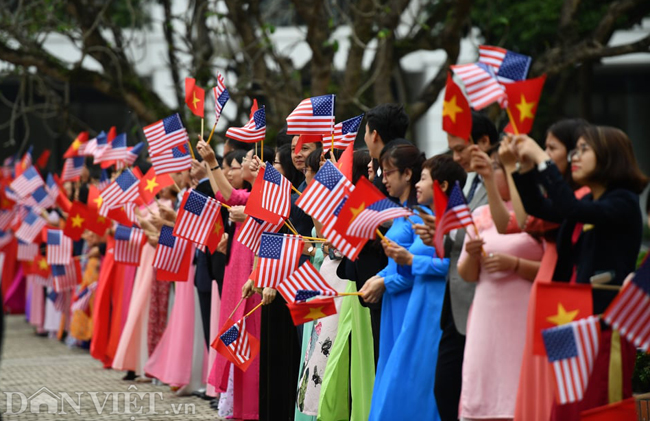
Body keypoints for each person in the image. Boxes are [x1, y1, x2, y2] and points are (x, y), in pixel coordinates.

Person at [511, 126, 648, 419]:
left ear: (610, 156)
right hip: (573, 318)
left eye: (584, 149)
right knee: (566, 408)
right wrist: (523, 166)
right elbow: (540, 207)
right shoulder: (588, 202)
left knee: (600, 406)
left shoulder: (623, 201)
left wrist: (541, 159)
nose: (575, 156)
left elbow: (568, 206)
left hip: (604, 325)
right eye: (576, 149)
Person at [372, 154, 466, 420]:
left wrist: (412, 260)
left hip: (437, 309)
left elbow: (453, 264)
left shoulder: (454, 221)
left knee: (424, 384)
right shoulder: (425, 218)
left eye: (423, 178)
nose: (418, 186)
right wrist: (397, 260)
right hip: (418, 308)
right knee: (402, 380)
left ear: (443, 185)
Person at [434, 111, 499, 421]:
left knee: (463, 391)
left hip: (484, 302)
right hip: (457, 303)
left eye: (461, 148)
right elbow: (464, 231)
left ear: (484, 142)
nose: (455, 157)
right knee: (448, 389)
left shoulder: (500, 181)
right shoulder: (472, 180)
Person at [359, 144, 426, 421]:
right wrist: (379, 277)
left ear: (408, 173)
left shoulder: (421, 216)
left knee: (403, 381)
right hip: (393, 306)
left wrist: (384, 283)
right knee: (388, 375)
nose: (382, 179)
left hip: (409, 305)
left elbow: (418, 265)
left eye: (388, 173)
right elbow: (394, 264)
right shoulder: (400, 213)